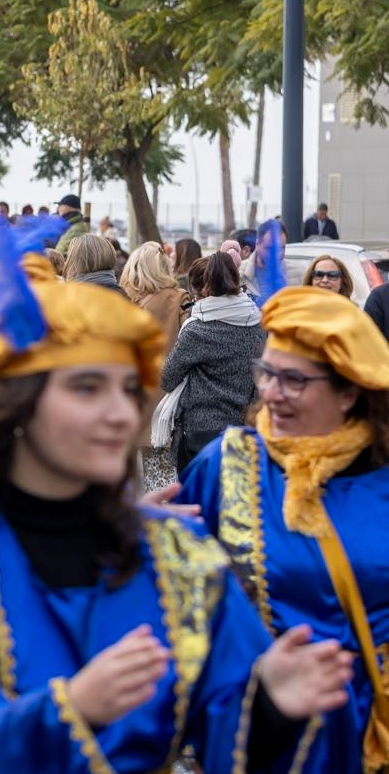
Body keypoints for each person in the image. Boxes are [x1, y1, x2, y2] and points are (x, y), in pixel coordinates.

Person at [0, 260, 354, 773]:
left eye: (127, 390)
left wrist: (269, 705)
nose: (119, 413)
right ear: (18, 405)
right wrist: (68, 712)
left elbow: (227, 718)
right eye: (87, 388)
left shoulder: (177, 556)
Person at [180, 287, 389, 774]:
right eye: (266, 373)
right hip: (269, 731)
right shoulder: (228, 464)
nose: (270, 393)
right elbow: (179, 600)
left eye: (293, 380)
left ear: (349, 391)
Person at [159, 252, 265, 475]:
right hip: (244, 429)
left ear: (202, 288)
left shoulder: (197, 330)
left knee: (199, 502)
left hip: (201, 432)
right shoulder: (257, 324)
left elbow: (167, 379)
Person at [121, 241, 190, 492]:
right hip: (169, 399)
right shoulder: (180, 299)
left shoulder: (126, 304)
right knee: (164, 473)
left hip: (135, 397)